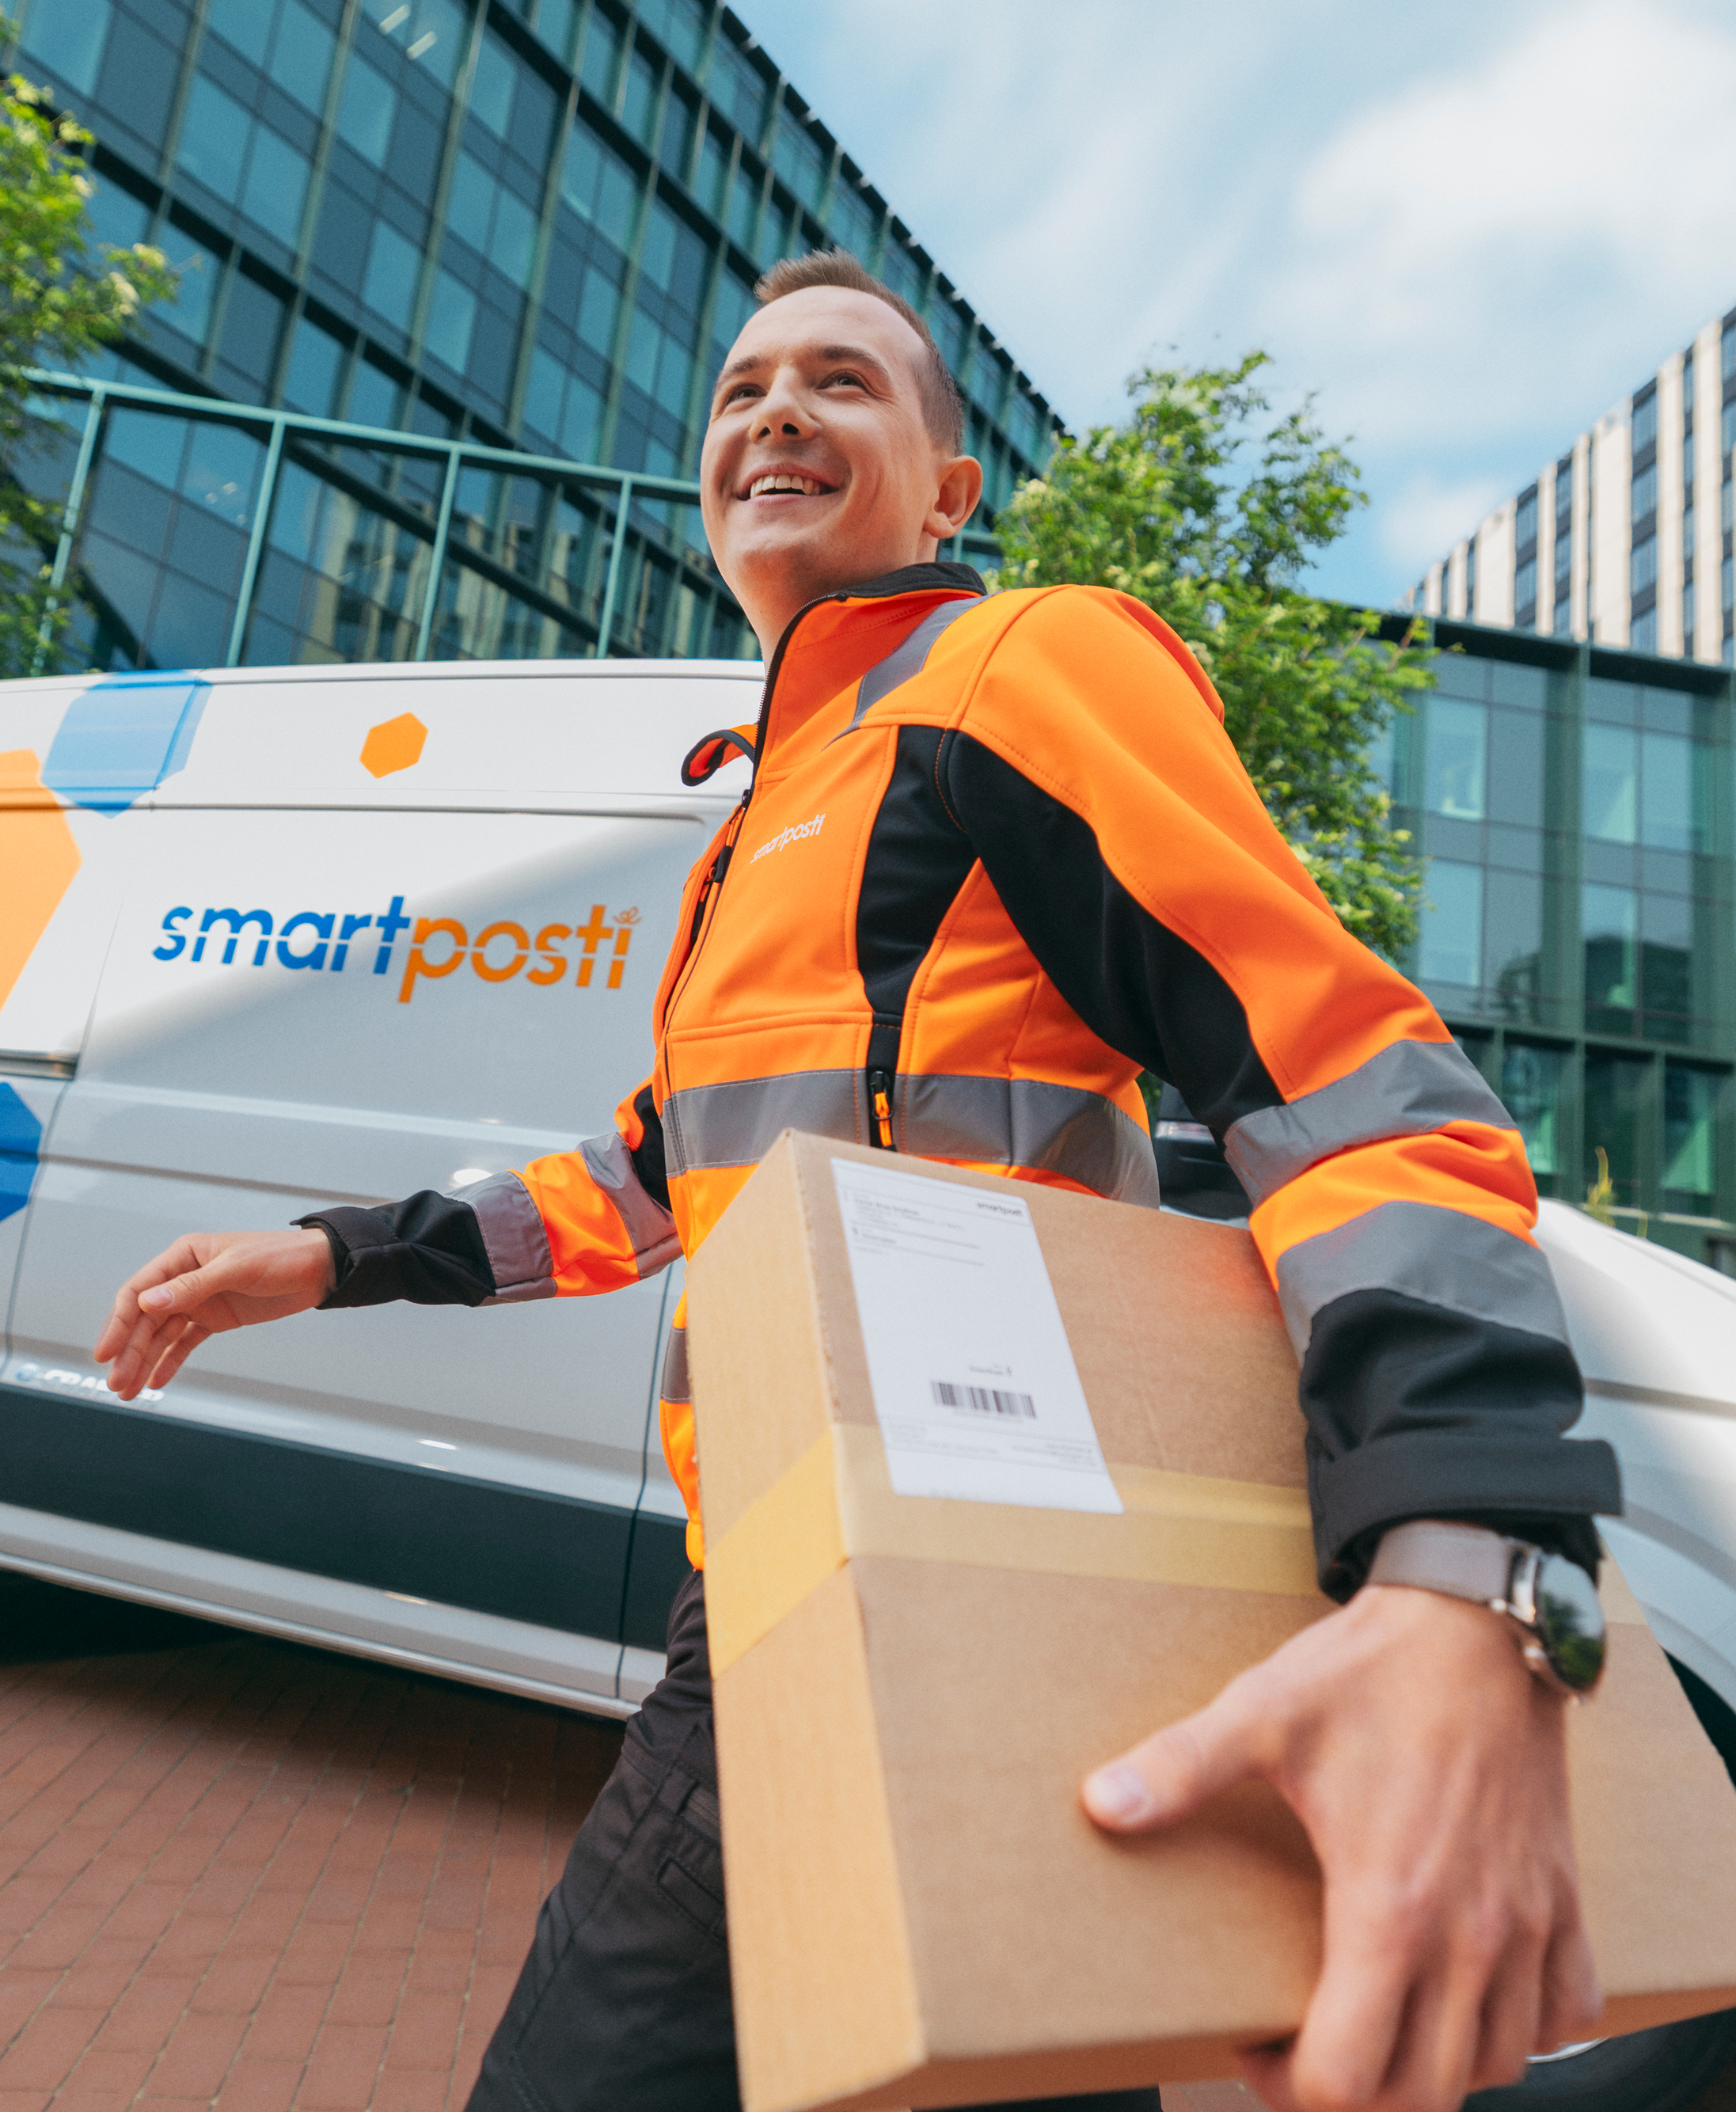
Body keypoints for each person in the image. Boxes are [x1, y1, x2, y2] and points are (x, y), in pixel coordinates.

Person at [95, 250, 1621, 2112]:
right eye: (741, 391)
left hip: (981, 1601)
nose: (775, 415)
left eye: (840, 383)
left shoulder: (1018, 663)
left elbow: (1340, 1080)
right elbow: (653, 1173)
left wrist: (1469, 1569)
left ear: (948, 490)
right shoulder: (751, 827)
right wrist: (318, 1258)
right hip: (762, 1605)